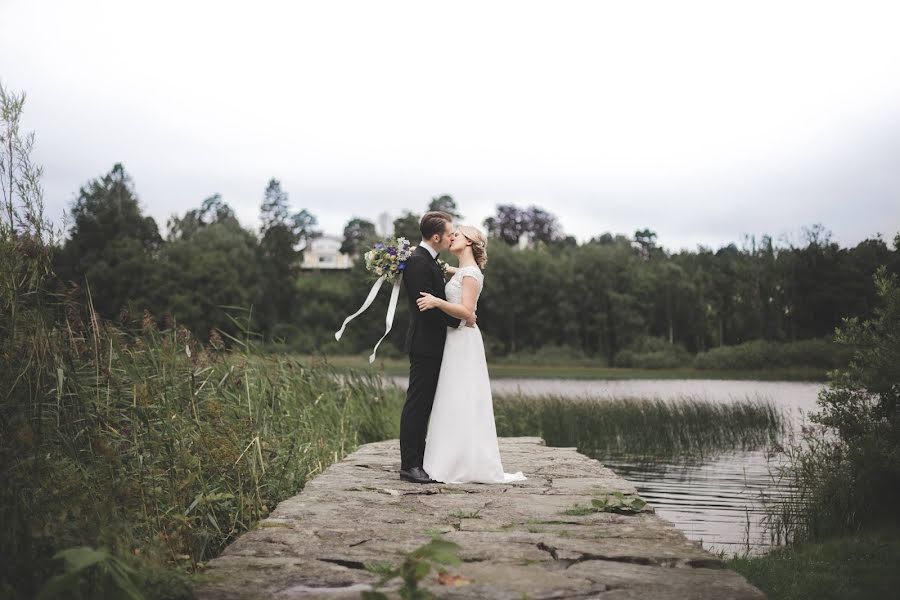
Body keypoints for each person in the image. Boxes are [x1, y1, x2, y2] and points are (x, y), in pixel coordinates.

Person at [416, 225, 527, 484]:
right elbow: (447, 270)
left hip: (463, 341)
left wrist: (436, 301)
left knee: (461, 395)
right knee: (453, 396)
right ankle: (449, 458)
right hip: (456, 340)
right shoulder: (466, 271)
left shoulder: (472, 274)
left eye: (457, 235)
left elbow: (467, 311)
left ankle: (458, 463)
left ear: (469, 243)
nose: (451, 237)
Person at [399, 211, 476, 484]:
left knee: (424, 405)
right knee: (417, 405)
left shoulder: (428, 261)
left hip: (432, 344)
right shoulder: (419, 262)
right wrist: (459, 320)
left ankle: (418, 461)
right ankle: (409, 465)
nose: (452, 236)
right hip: (424, 343)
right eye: (449, 233)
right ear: (436, 237)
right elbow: (425, 310)